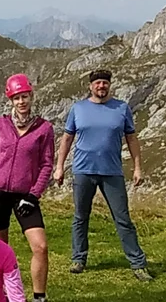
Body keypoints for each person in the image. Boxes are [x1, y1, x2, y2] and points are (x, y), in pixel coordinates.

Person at [52, 69, 151, 282]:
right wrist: (59, 167)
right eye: (97, 83)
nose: (101, 86)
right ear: (91, 86)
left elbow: (132, 138)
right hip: (83, 170)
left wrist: (137, 168)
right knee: (80, 217)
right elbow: (67, 138)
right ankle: (78, 259)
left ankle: (138, 264)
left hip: (112, 172)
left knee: (123, 219)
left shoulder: (121, 108)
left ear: (109, 85)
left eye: (105, 82)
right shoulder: (78, 108)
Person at [0, 73, 59, 302]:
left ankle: (39, 301)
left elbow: (46, 165)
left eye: (25, 97)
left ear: (31, 97)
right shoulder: (0, 125)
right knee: (0, 250)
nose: (21, 102)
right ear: (10, 100)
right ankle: (4, 300)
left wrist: (34, 195)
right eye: (17, 98)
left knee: (40, 246)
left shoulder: (44, 128)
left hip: (26, 196)